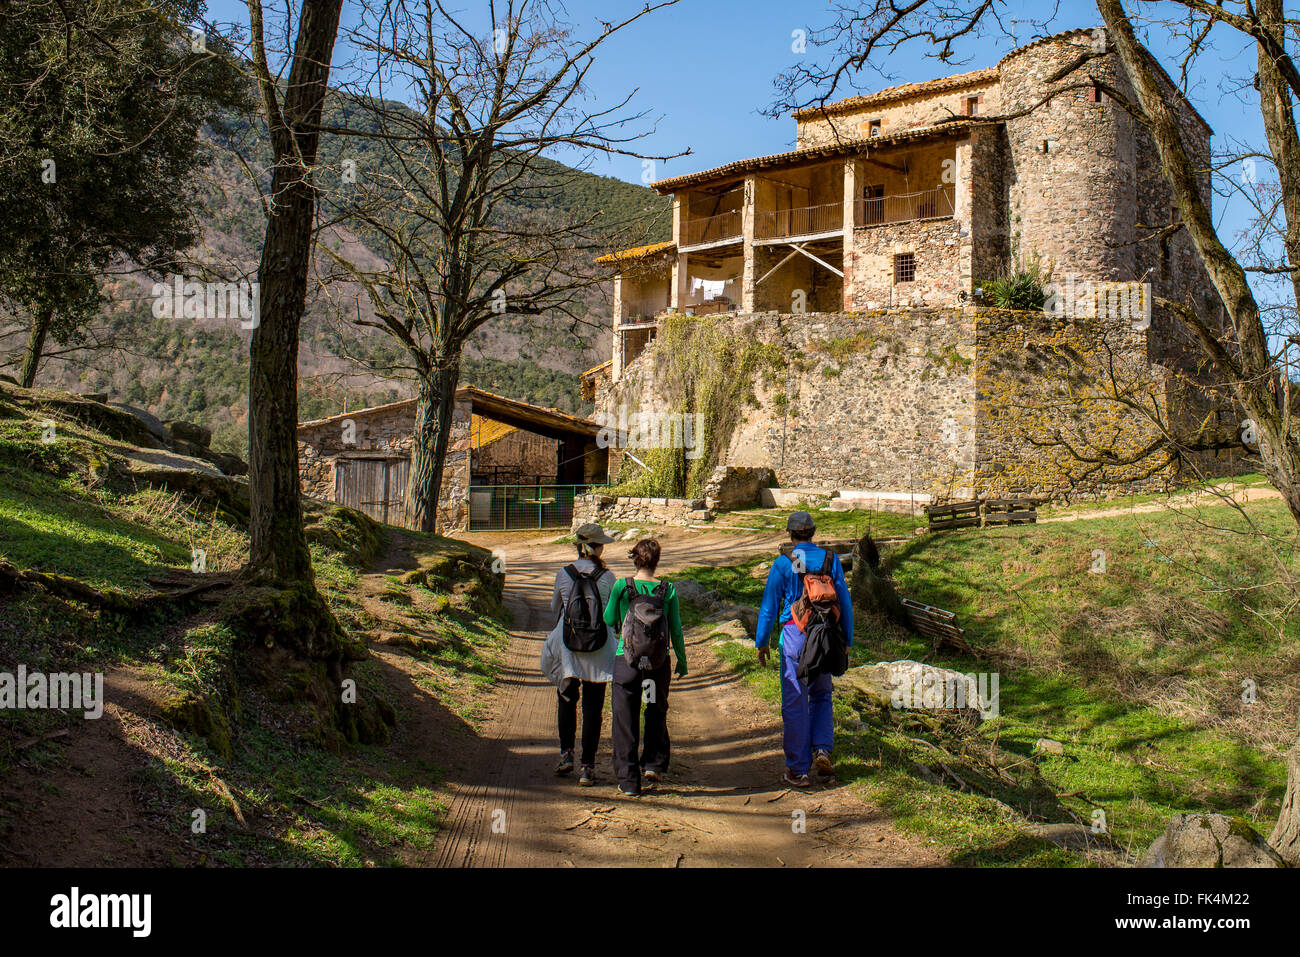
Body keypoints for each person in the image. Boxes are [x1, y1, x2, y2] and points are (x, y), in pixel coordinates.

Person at [754, 511, 853, 788]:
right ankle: (822, 749)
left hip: (795, 637)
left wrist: (762, 643)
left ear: (790, 534)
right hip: (826, 636)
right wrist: (848, 641)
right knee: (822, 694)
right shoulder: (830, 560)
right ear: (813, 533)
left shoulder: (784, 564)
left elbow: (769, 607)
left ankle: (799, 770)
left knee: (796, 701)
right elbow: (844, 602)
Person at [602, 538, 688, 797]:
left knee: (625, 719)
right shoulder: (667, 589)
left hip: (627, 662)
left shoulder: (621, 586)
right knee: (654, 710)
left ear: (634, 559)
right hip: (657, 664)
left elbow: (608, 618)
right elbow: (675, 628)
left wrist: (621, 616)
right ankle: (653, 763)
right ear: (657, 560)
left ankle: (628, 781)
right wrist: (682, 661)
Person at [540, 523, 617, 786]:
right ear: (595, 547)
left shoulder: (564, 575)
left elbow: (555, 609)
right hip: (599, 647)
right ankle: (588, 766)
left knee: (566, 699)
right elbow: (613, 616)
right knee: (593, 708)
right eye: (601, 543)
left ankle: (566, 755)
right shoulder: (607, 577)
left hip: (568, 645)